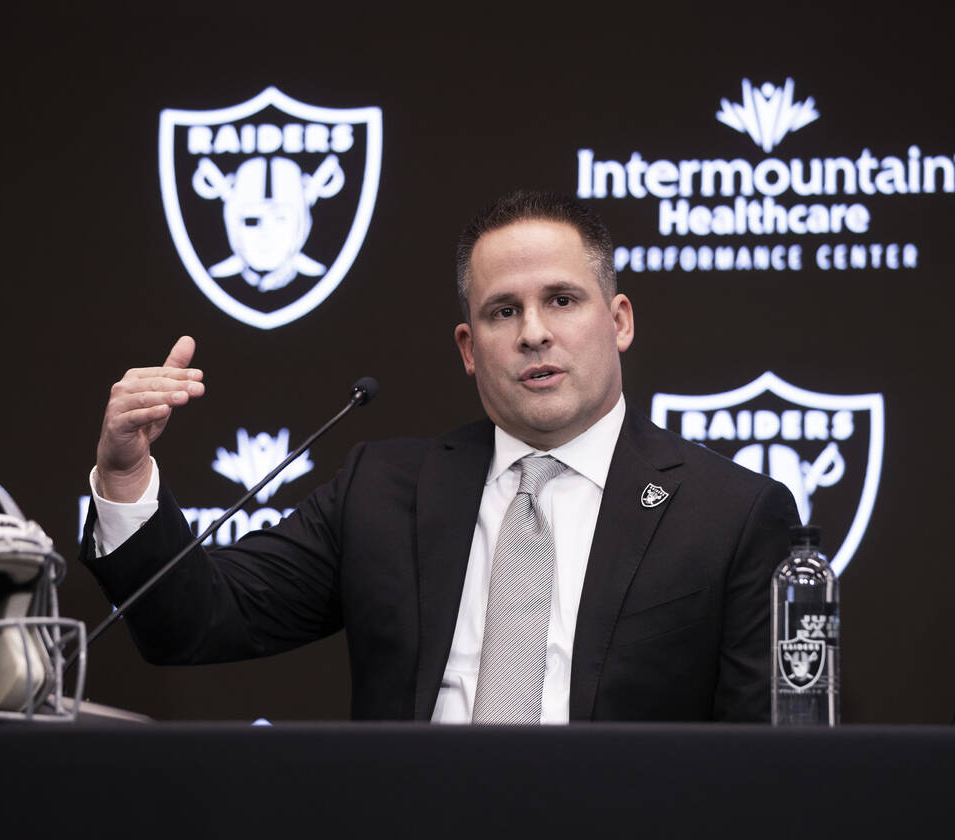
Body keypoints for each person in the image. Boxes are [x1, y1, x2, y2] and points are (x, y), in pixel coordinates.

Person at [81, 190, 799, 722]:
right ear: (468, 347)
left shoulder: (730, 515)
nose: (534, 334)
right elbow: (196, 619)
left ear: (619, 322)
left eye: (562, 300)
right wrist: (124, 475)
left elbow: (765, 762)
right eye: (503, 311)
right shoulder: (382, 491)